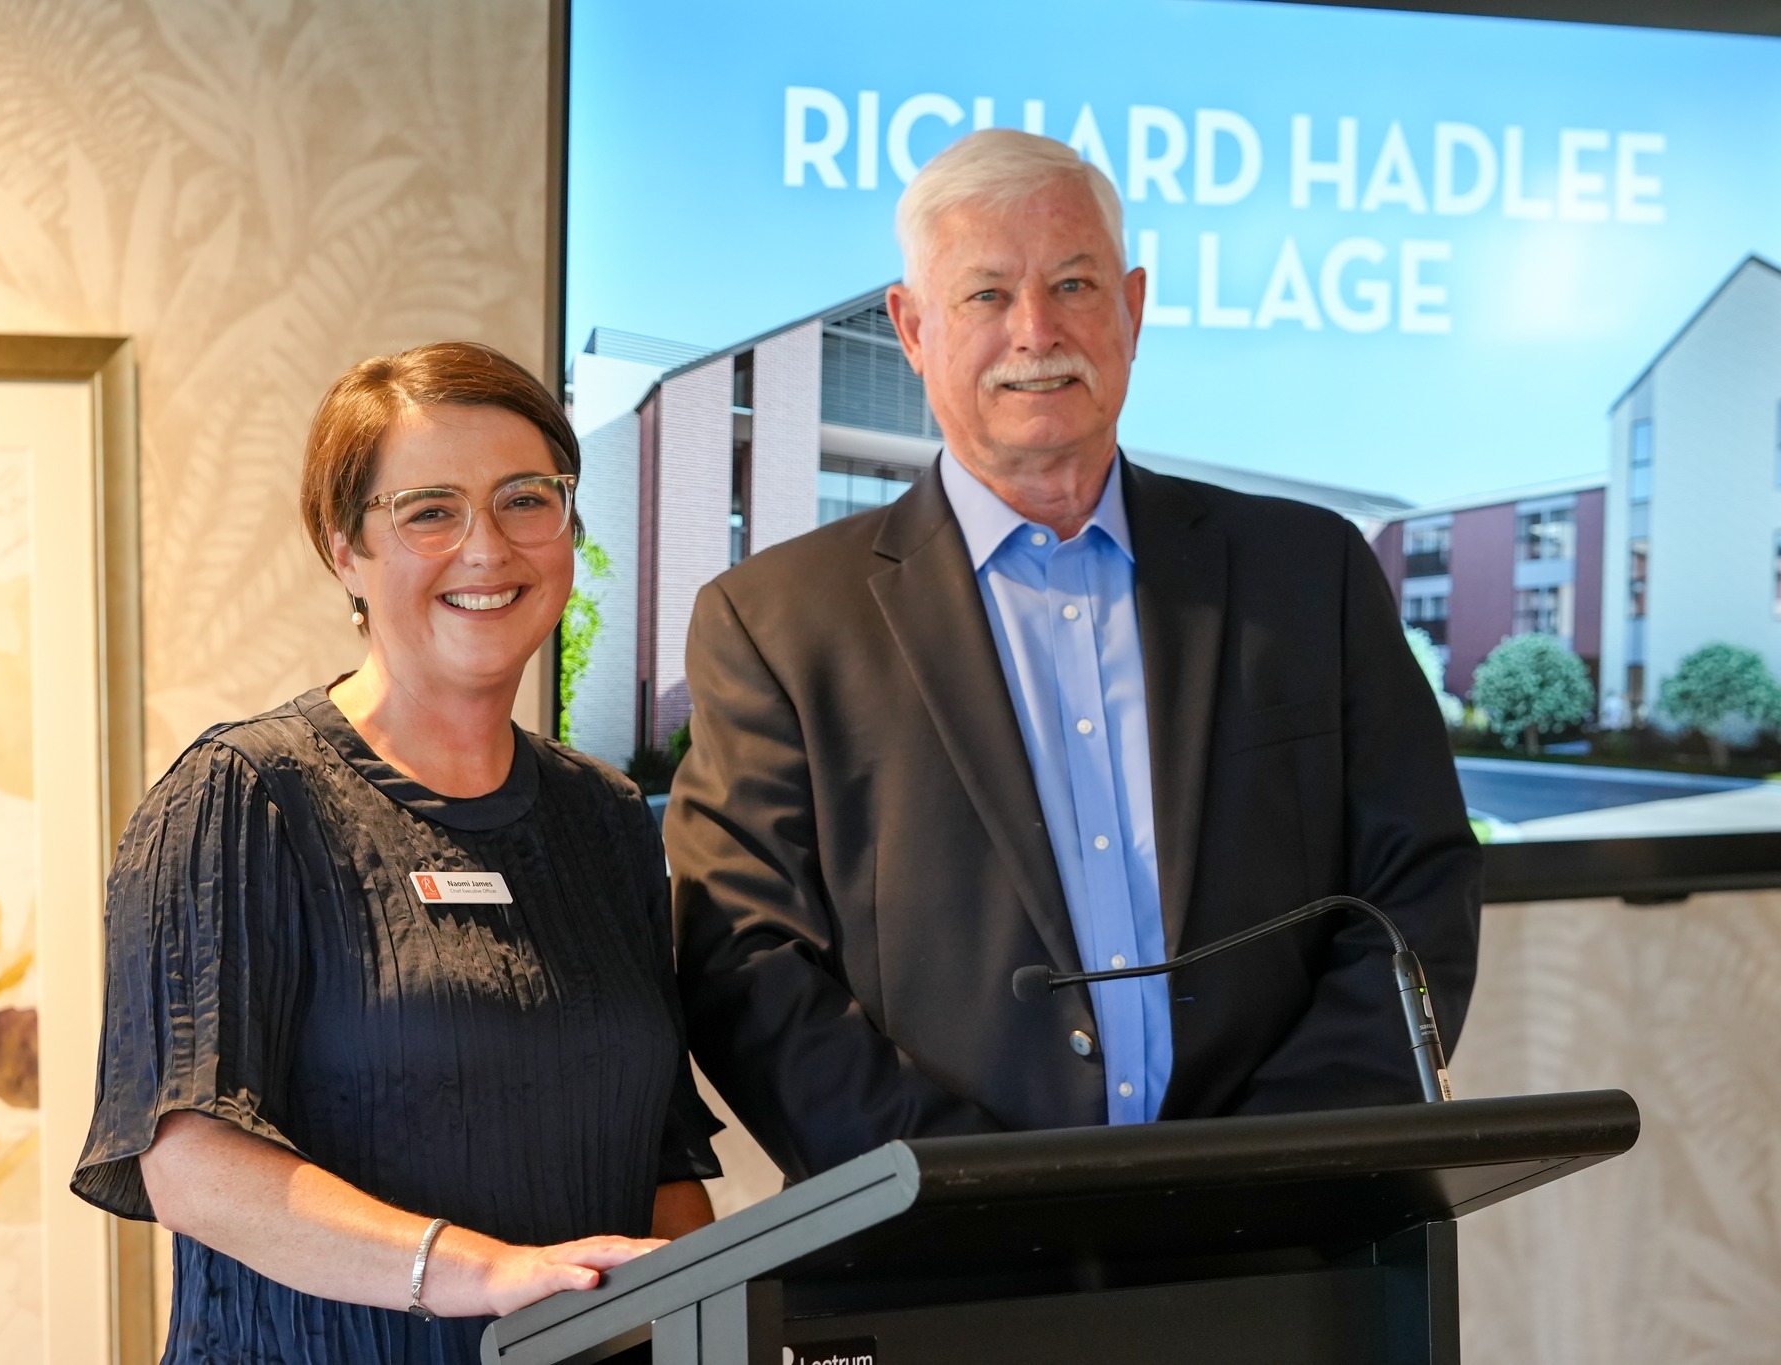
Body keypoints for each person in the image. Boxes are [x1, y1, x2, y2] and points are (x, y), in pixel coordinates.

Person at [666, 129, 1482, 1181]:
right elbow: (745, 962)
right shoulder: (772, 621)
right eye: (985, 295)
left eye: (1072, 282)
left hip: (1283, 1240)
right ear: (910, 329)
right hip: (945, 1263)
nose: (1035, 330)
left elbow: (1414, 886)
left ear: (1132, 309)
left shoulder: (1307, 573)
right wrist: (979, 1197)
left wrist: (1275, 1164)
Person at [72, 342, 721, 1362]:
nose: (486, 547)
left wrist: (713, 1316)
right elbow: (188, 1160)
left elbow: (659, 1157)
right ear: (344, 549)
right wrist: (481, 1274)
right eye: (429, 511)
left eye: (524, 499)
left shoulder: (602, 820)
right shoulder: (243, 797)